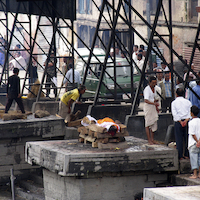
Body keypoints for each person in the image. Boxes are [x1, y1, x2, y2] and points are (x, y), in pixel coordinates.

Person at [171, 88, 192, 160]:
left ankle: (180, 156)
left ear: (176, 94)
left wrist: (180, 121)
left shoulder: (174, 103)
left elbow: (174, 114)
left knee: (179, 139)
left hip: (178, 122)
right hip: (187, 121)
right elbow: (190, 113)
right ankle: (187, 154)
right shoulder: (188, 102)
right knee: (187, 139)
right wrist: (186, 121)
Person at [143, 76, 159, 145]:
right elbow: (146, 100)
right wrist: (154, 103)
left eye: (155, 83)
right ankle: (149, 140)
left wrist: (156, 106)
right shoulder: (147, 89)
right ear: (149, 83)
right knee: (148, 124)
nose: (154, 84)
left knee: (154, 123)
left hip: (153, 107)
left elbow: (154, 98)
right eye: (153, 83)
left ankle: (152, 139)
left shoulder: (155, 88)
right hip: (148, 107)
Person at [188, 105, 200, 179]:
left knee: (194, 158)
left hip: (193, 143)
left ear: (191, 113)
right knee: (199, 158)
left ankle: (195, 174)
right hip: (199, 142)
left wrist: (197, 141)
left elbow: (192, 134)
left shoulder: (191, 122)